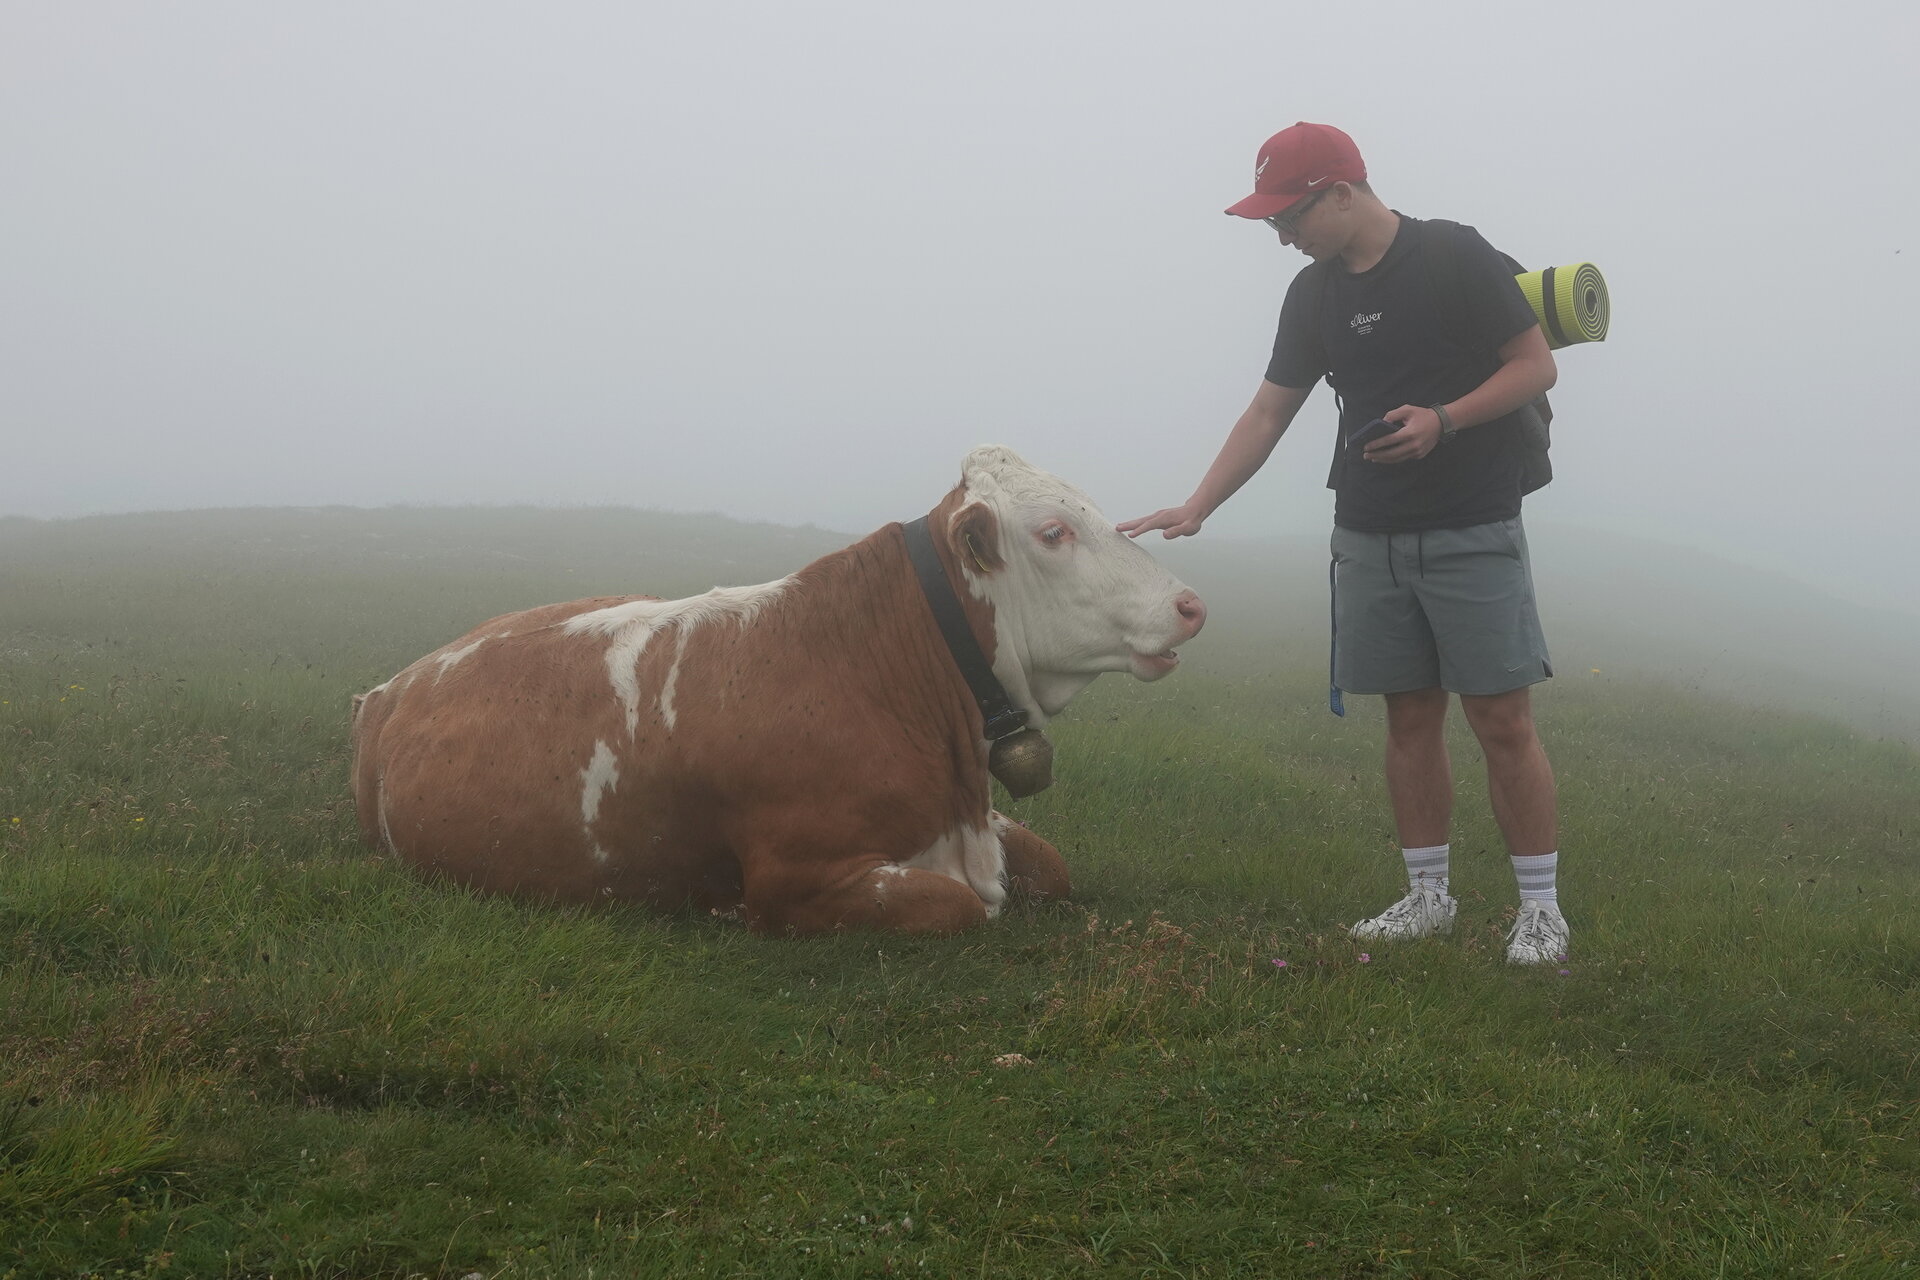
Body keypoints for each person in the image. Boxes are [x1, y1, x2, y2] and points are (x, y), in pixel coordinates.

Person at [1119, 121, 1569, 965]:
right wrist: (1198, 505)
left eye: (1287, 218)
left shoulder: (1453, 255)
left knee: (1502, 720)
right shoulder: (1314, 295)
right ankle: (1427, 895)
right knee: (1407, 716)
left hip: (1472, 521)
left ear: (1341, 193)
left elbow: (1535, 367)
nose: (1280, 237)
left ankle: (1540, 912)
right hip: (1367, 532)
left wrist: (1444, 420)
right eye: (1271, 224)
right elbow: (1270, 409)